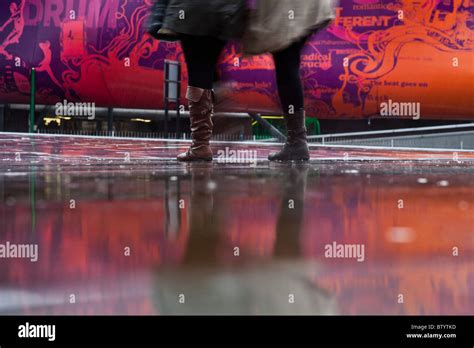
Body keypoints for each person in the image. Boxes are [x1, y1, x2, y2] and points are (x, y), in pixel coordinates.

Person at [147, 0, 246, 162]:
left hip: (192, 10)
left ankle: (201, 145)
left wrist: (161, 16)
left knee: (198, 70)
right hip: (224, 12)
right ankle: (224, 110)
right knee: (210, 67)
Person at [243, 0, 337, 161]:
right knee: (288, 63)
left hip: (290, 9)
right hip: (305, 7)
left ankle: (297, 141)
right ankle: (297, 140)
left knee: (286, 64)